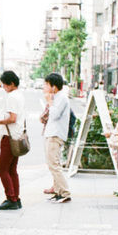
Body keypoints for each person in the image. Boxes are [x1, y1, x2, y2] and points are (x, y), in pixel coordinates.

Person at [41, 73, 72, 203]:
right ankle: (58, 191)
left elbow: (55, 115)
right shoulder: (56, 98)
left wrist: (49, 101)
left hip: (55, 134)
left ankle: (64, 192)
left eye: (46, 84)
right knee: (52, 164)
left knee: (54, 164)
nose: (44, 87)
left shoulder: (62, 98)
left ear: (54, 86)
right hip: (51, 133)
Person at [0, 70, 24, 210]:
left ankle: (11, 199)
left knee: (1, 169)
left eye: (4, 84)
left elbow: (12, 118)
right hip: (17, 136)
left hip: (9, 137)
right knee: (12, 169)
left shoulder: (12, 97)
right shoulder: (20, 95)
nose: (3, 87)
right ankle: (16, 198)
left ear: (11, 84)